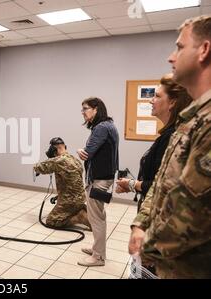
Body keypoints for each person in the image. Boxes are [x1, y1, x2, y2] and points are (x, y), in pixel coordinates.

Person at [129, 15, 211, 278]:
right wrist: (140, 224)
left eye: (179, 47)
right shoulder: (189, 120)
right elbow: (162, 183)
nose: (171, 57)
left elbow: (191, 213)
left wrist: (147, 249)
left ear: (204, 50)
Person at [116, 74, 192, 212]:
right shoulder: (169, 133)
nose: (151, 100)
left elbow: (163, 185)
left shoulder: (171, 137)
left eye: (157, 96)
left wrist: (132, 184)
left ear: (173, 102)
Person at [76, 97, 119, 267]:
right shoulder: (109, 125)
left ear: (96, 109)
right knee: (97, 216)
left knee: (97, 218)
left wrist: (81, 150)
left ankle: (99, 257)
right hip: (104, 176)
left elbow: (88, 152)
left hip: (99, 179)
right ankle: (97, 249)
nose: (83, 112)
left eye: (85, 108)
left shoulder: (101, 128)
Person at [33, 138, 91, 229]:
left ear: (55, 150)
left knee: (51, 221)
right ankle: (81, 209)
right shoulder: (75, 160)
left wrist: (37, 167)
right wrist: (58, 196)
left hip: (70, 201)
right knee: (70, 206)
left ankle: (79, 217)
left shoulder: (58, 161)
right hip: (81, 197)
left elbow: (38, 167)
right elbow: (72, 183)